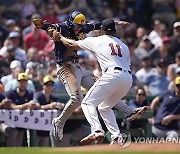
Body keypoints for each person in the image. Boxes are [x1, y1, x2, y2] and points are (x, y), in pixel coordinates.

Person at [33, 11, 147, 142]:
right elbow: (51, 26)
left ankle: (127, 112)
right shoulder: (64, 27)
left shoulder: (85, 29)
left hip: (78, 67)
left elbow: (96, 26)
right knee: (77, 99)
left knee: (103, 94)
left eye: (80, 26)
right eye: (75, 25)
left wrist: (116, 23)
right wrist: (42, 25)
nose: (78, 28)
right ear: (71, 22)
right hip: (65, 67)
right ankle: (59, 122)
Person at [33, 76, 63, 147]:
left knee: (45, 148)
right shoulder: (38, 95)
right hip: (36, 127)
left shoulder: (54, 97)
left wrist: (59, 105)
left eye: (51, 85)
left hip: (47, 128)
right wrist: (49, 106)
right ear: (43, 86)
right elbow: (35, 106)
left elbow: (59, 105)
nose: (49, 87)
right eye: (47, 85)